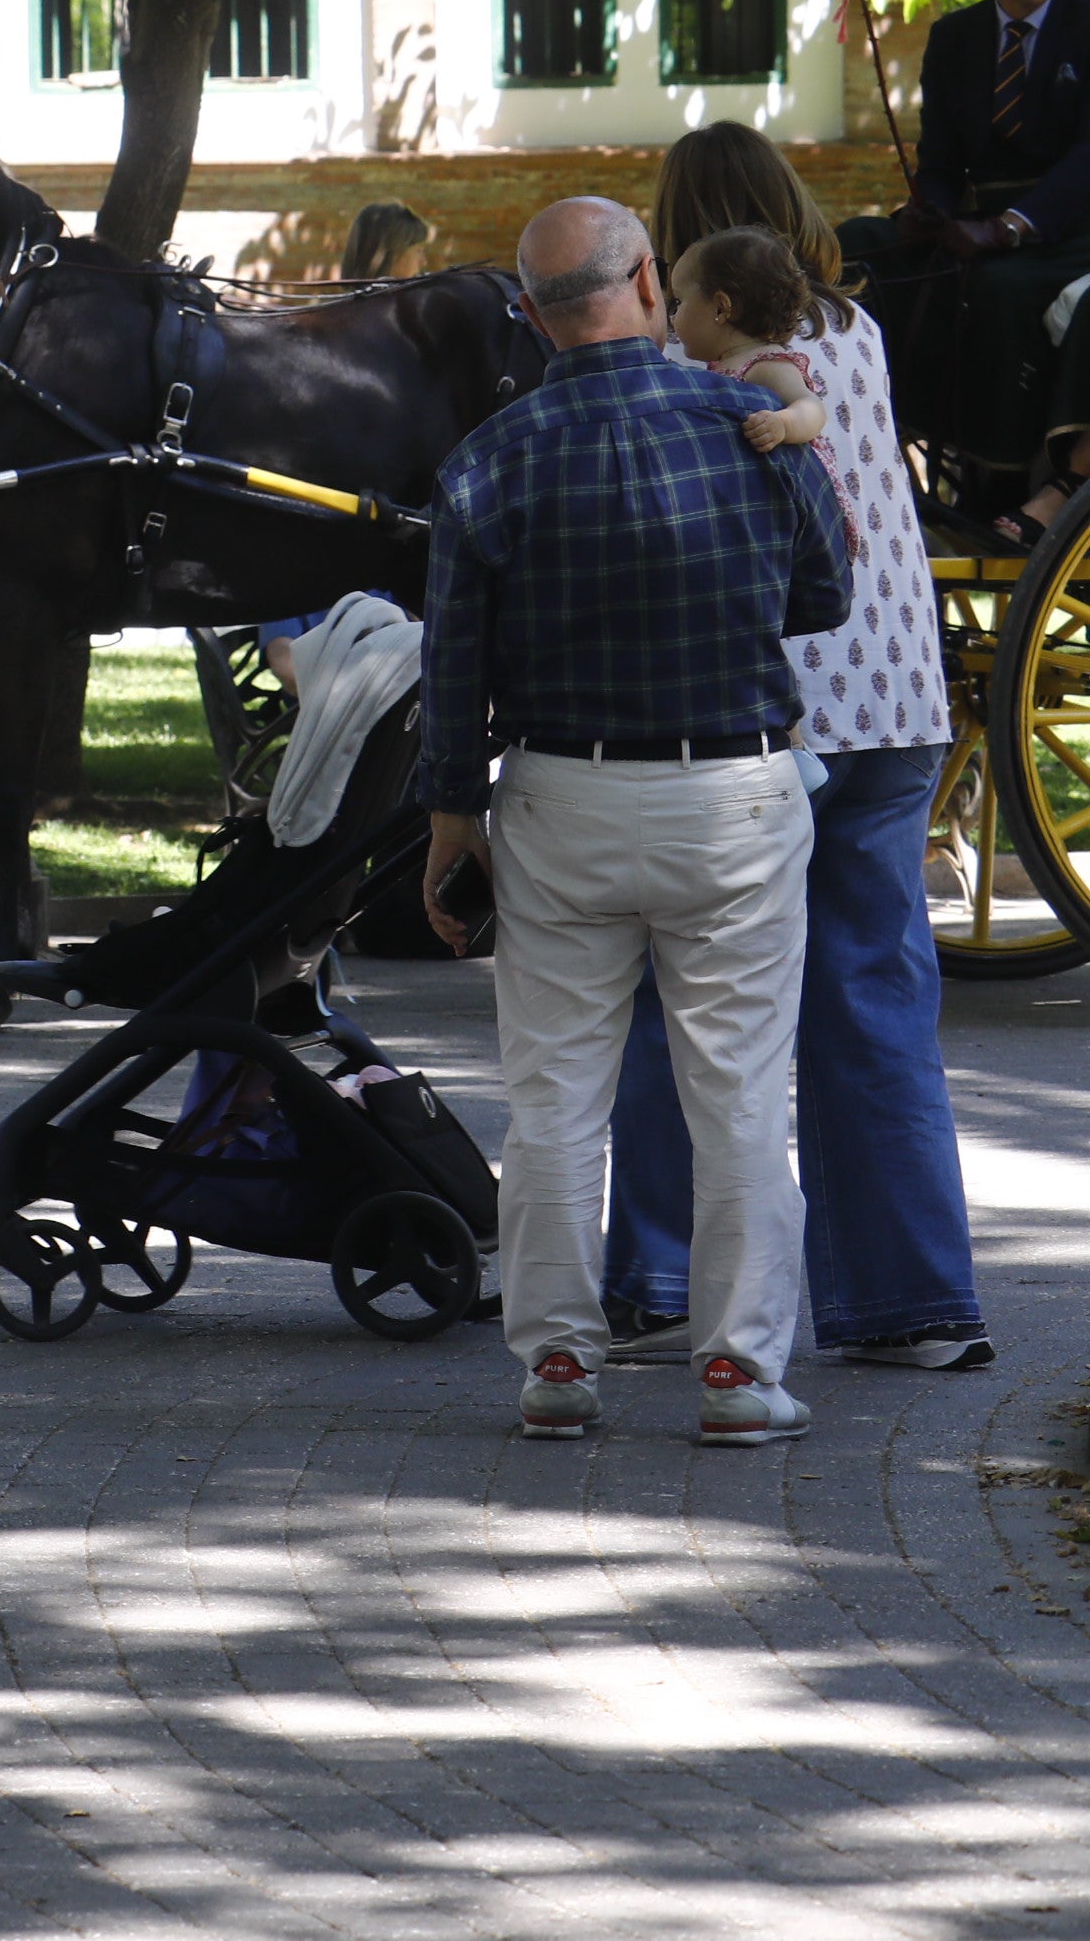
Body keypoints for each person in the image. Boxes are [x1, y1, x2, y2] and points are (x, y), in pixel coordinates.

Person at [419, 193, 848, 1447]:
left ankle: (557, 1360)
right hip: (734, 791)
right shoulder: (749, 424)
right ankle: (737, 1373)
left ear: (532, 314)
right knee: (739, 1096)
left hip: (563, 792)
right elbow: (823, 589)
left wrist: (454, 819)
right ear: (652, 283)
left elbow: (454, 663)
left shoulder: (490, 456)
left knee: (553, 1092)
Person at [600, 125, 991, 1373]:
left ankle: (662, 1279)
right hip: (897, 707)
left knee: (681, 994)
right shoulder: (856, 336)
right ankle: (915, 1302)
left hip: (760, 715)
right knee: (872, 995)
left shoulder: (690, 360)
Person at [837, 0, 1090, 530]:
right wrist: (928, 211)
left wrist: (1010, 226)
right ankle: (869, 436)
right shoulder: (954, 39)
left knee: (999, 288)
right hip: (975, 218)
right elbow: (942, 159)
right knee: (864, 247)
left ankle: (998, 477)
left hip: (1069, 225)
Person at [668, 227, 830, 458]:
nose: (672, 315)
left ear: (721, 308)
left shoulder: (765, 364)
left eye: (678, 301)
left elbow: (812, 408)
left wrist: (783, 424)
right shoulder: (723, 366)